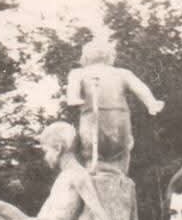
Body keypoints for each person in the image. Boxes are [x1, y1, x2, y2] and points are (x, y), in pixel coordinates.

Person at [66, 38, 164, 175]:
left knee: (91, 152)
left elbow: (72, 90)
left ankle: (97, 175)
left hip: (92, 118)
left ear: (85, 56)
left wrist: (74, 98)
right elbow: (140, 88)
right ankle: (118, 177)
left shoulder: (79, 73)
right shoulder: (122, 73)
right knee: (121, 152)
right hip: (117, 119)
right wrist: (151, 103)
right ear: (110, 56)